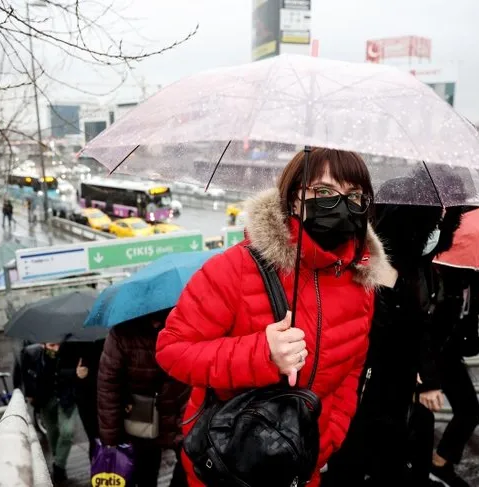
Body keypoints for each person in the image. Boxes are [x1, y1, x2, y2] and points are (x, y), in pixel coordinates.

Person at [156, 148, 390, 487]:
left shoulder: (361, 281)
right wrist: (262, 354)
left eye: (354, 195)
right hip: (227, 462)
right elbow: (172, 349)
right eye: (323, 192)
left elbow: (352, 370)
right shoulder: (235, 269)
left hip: (300, 465)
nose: (340, 204)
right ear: (293, 197)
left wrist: (327, 441)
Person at [324, 178, 463, 486]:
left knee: (389, 459)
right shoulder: (368, 264)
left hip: (396, 390)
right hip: (360, 387)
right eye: (435, 215)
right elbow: (387, 328)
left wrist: (424, 376)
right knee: (350, 462)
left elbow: (418, 325)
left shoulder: (417, 265)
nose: (440, 221)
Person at [97, 310, 191, 487]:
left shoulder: (183, 323)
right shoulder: (122, 333)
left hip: (181, 411)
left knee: (189, 467)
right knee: (145, 474)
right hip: (142, 419)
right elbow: (108, 387)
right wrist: (111, 439)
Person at [421, 265, 479, 487]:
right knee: (420, 416)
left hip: (451, 353)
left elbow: (466, 311)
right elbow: (424, 315)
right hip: (428, 353)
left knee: (469, 412)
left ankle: (439, 462)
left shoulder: (473, 274)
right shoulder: (439, 269)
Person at [19, 341, 79, 483]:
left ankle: (58, 466)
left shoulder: (70, 348)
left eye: (58, 345)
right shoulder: (33, 354)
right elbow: (27, 375)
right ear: (43, 344)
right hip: (45, 398)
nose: (56, 349)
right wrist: (30, 393)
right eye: (52, 345)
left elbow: (75, 370)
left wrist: (75, 373)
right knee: (52, 431)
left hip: (67, 397)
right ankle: (58, 458)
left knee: (67, 431)